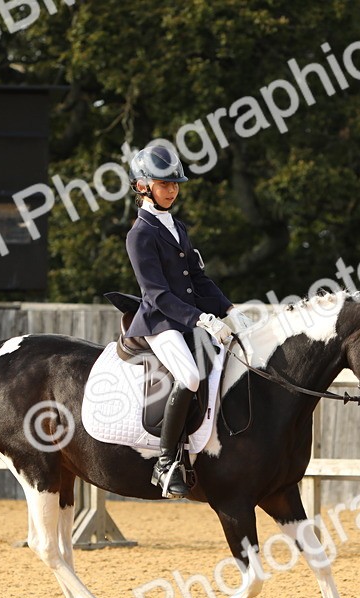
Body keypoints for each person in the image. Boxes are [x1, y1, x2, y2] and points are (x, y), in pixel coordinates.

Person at [122, 144, 239, 499]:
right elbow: (156, 294)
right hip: (159, 323)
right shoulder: (139, 235)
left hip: (188, 320)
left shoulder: (177, 226)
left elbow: (198, 280)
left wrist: (229, 310)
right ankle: (165, 462)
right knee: (188, 375)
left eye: (175, 184)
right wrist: (201, 318)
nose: (172, 190)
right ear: (143, 186)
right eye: (164, 184)